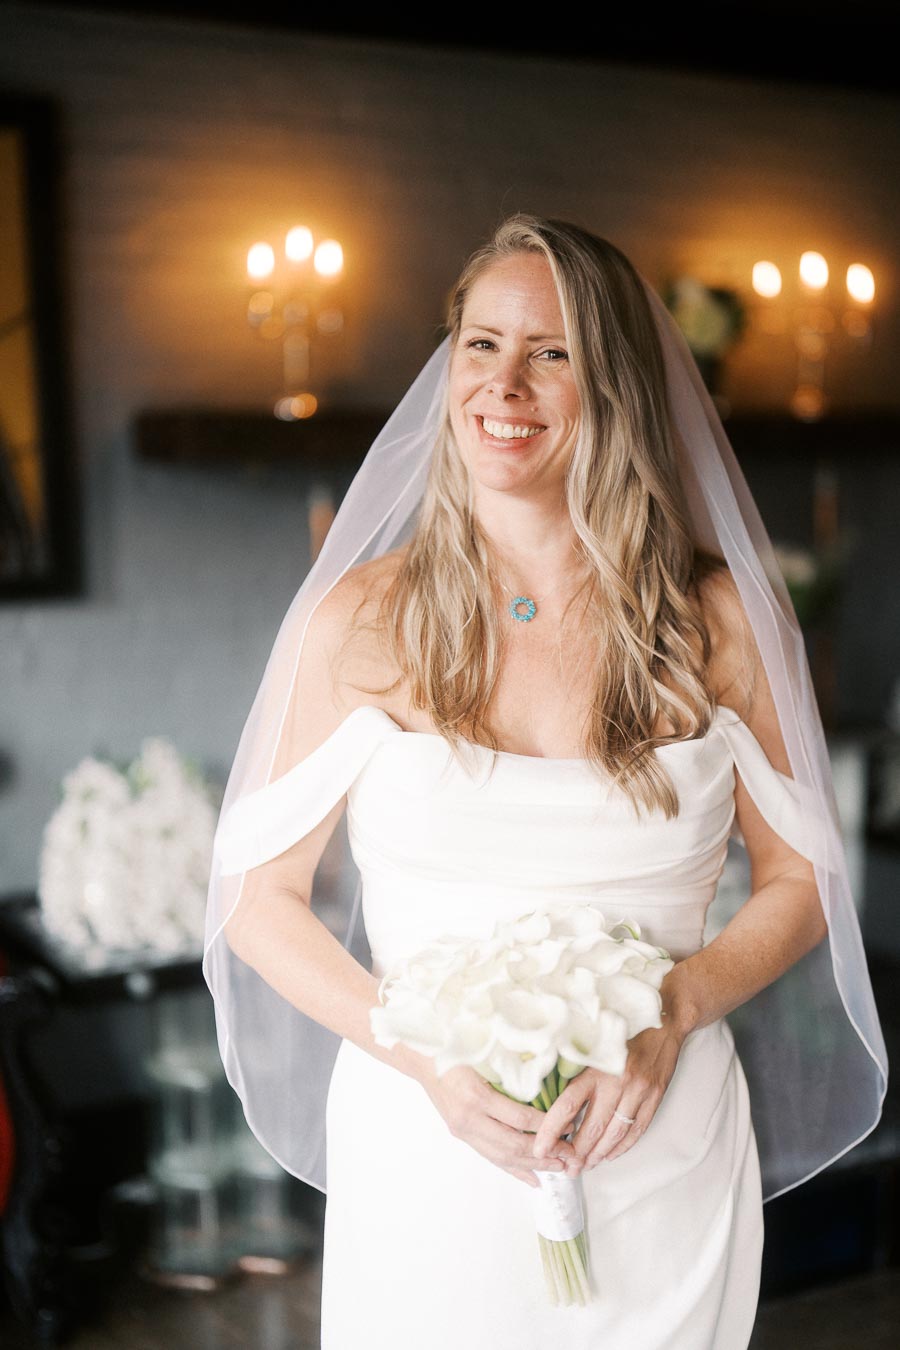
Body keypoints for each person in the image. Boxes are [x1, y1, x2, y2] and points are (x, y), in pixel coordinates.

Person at [202, 215, 887, 1349]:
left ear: (614, 384)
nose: (503, 384)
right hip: (430, 1144)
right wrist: (412, 1049)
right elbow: (256, 900)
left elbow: (804, 877)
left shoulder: (718, 622)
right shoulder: (362, 617)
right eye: (480, 344)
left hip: (656, 1142)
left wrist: (675, 1011)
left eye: (552, 352)